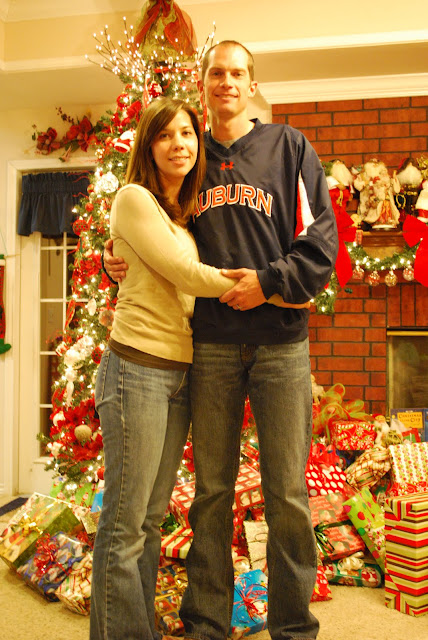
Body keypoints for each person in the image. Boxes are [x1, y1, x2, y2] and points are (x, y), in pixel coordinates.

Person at [104, 41, 338, 640]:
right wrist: (113, 258)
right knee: (211, 492)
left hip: (281, 345)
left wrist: (268, 283)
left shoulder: (289, 147)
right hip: (208, 348)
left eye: (237, 73)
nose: (226, 81)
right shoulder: (189, 155)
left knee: (287, 493)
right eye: (216, 72)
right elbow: (157, 230)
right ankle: (206, 623)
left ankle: (293, 626)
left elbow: (320, 241)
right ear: (203, 82)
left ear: (252, 83)